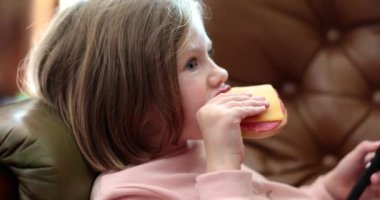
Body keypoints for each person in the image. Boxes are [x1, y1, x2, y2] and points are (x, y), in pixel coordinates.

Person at [19, 0, 380, 199]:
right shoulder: (130, 193)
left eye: (209, 54)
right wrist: (223, 166)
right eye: (192, 63)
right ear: (129, 100)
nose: (220, 73)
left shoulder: (195, 150)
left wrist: (332, 188)